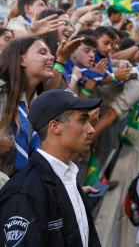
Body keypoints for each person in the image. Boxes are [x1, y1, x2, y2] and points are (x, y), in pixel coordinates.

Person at [0, 87, 102, 246]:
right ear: (55, 127)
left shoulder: (67, 179)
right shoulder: (25, 193)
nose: (91, 129)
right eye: (83, 120)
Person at [0, 36, 81, 176]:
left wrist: (61, 59)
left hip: (18, 188)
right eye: (42, 52)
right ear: (21, 60)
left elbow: (50, 92)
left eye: (51, 53)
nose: (51, 57)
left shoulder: (35, 101)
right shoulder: (2, 91)